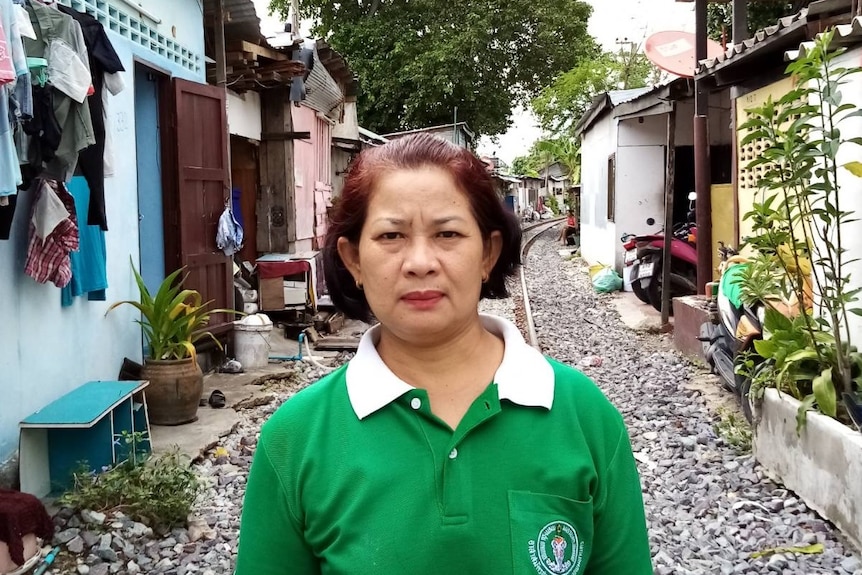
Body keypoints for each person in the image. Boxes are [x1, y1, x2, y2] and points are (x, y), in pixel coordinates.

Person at [234, 133, 652, 575]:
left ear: (488, 253)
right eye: (391, 235)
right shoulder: (296, 439)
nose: (420, 262)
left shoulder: (584, 417)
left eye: (448, 233)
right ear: (353, 259)